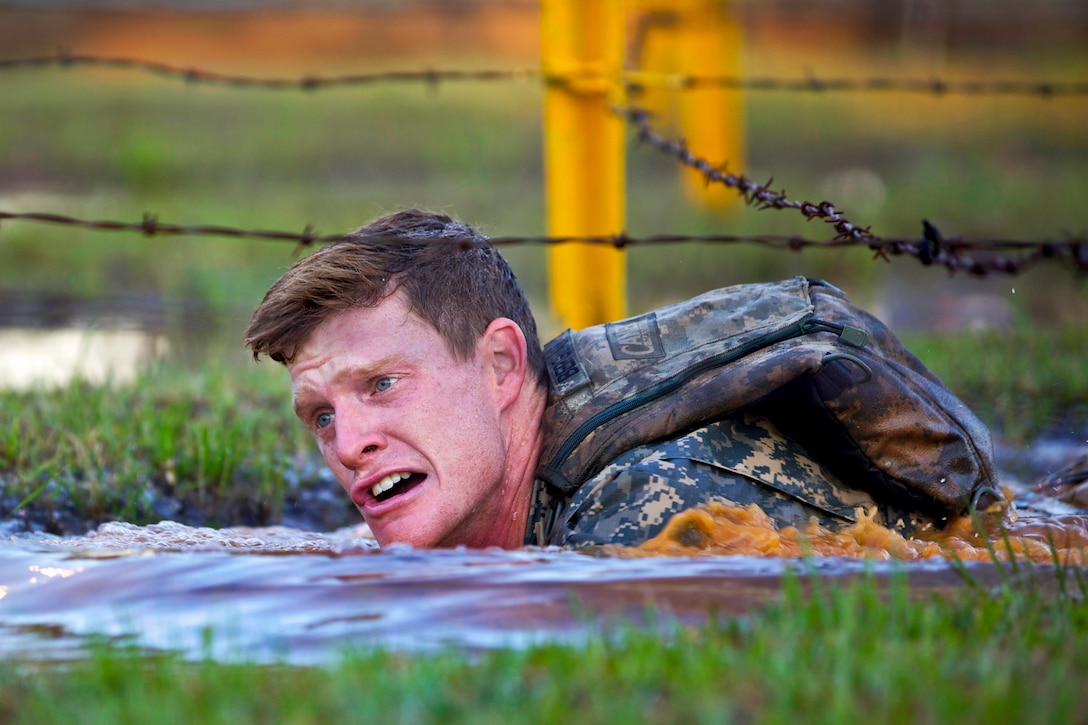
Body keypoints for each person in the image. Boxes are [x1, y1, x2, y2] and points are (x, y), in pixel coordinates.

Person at [245, 210, 986, 550]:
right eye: (320, 414)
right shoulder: (509, 497)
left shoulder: (641, 513)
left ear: (502, 366)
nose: (349, 444)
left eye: (379, 385)